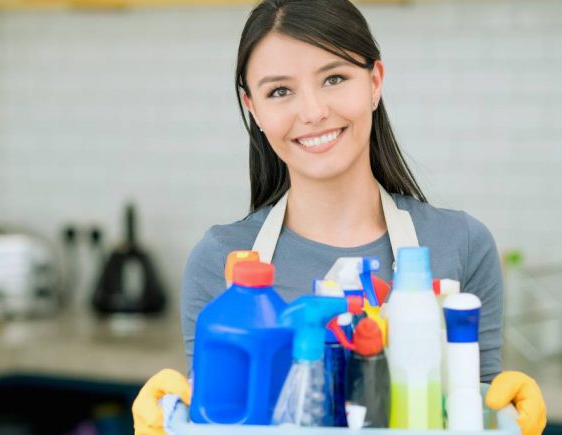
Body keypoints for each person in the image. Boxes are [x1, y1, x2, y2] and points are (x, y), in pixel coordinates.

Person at [132, 1, 547, 434]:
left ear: (374, 82)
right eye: (279, 91)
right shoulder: (220, 259)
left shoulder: (461, 243)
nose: (312, 112)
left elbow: (475, 409)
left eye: (334, 78)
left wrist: (507, 423)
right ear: (252, 107)